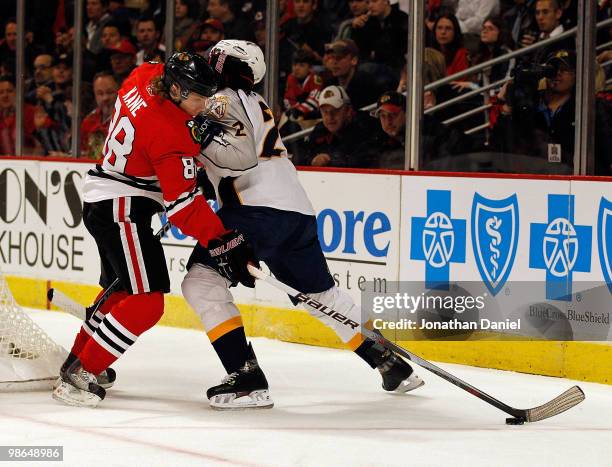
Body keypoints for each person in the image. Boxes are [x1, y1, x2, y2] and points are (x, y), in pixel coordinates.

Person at [181, 40, 424, 411]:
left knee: (200, 281)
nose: (209, 61)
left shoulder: (221, 98)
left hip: (254, 209)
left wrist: (189, 138)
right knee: (322, 297)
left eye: (217, 57)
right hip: (294, 210)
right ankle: (388, 362)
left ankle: (246, 379)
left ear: (231, 66)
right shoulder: (250, 100)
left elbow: (236, 154)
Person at [52, 52, 256, 407]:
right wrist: (223, 241)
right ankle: (81, 372)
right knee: (147, 302)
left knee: (125, 292)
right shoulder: (170, 132)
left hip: (106, 198)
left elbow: (159, 92)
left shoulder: (143, 74)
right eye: (197, 97)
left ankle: (79, 361)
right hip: (123, 207)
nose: (204, 104)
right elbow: (184, 209)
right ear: (175, 89)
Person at [491, 49, 612, 172]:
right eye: (552, 68)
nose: (557, 73)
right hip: (530, 178)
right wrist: (507, 108)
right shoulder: (528, 103)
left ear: (577, 75)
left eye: (564, 69)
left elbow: (605, 150)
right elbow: (499, 145)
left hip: (574, 178)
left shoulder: (587, 106)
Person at [302, 85, 378, 167]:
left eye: (335, 111)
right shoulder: (320, 129)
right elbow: (300, 155)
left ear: (348, 110)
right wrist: (312, 160)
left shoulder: (365, 124)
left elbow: (365, 159)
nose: (330, 117)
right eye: (325, 112)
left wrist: (330, 160)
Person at [349, 0, 408, 73]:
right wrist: (356, 29)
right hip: (374, 66)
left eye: (374, 1)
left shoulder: (402, 19)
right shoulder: (368, 21)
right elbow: (360, 50)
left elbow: (397, 50)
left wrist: (376, 52)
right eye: (368, 2)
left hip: (397, 67)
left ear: (386, 1)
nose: (370, 6)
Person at [80, 72, 118, 158]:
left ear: (119, 91)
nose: (105, 98)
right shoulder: (89, 122)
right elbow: (82, 153)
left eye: (110, 92)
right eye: (100, 93)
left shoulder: (129, 120)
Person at [283, 49, 322, 119]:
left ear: (310, 68)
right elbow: (288, 99)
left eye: (301, 65)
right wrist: (293, 110)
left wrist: (299, 110)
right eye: (294, 65)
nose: (296, 68)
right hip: (297, 115)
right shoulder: (291, 78)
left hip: (313, 116)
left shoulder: (315, 79)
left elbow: (314, 101)